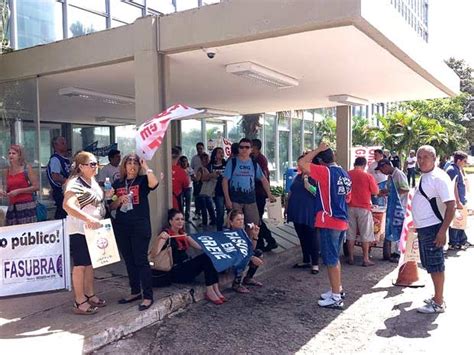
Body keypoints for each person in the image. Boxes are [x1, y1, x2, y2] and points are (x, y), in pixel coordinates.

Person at [298, 143, 352, 309]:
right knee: (334, 257)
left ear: (320, 161)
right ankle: (337, 289)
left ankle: (336, 297)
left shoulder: (324, 172)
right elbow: (348, 198)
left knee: (330, 259)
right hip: (342, 220)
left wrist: (317, 150)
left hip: (329, 220)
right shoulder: (344, 173)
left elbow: (302, 164)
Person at [110, 153, 160, 311]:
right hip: (122, 225)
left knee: (141, 260)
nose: (132, 166)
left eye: (135, 163)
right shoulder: (117, 183)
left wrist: (146, 167)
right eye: (129, 163)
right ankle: (135, 291)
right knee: (129, 260)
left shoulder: (143, 180)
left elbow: (154, 183)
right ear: (124, 166)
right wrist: (118, 201)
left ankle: (148, 296)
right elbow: (110, 205)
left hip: (140, 225)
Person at [63, 151, 110, 315]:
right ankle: (79, 300)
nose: (95, 166)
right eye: (91, 164)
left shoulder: (92, 181)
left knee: (90, 264)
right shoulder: (74, 183)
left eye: (96, 163)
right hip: (79, 230)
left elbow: (95, 201)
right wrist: (88, 219)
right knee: (80, 265)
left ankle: (90, 294)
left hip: (93, 230)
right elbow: (68, 206)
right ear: (81, 167)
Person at [412, 145, 455, 313]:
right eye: (419, 157)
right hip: (425, 227)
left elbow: (451, 206)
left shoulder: (438, 178)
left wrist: (442, 231)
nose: (421, 160)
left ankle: (438, 302)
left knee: (436, 264)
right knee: (430, 264)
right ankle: (437, 297)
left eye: (425, 157)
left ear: (434, 159)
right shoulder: (426, 176)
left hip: (433, 228)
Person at [151, 209, 225, 305]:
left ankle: (215, 288)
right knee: (205, 259)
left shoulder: (182, 233)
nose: (180, 221)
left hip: (185, 267)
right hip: (175, 271)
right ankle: (210, 290)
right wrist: (160, 238)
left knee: (208, 256)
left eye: (182, 219)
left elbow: (200, 247)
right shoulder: (167, 234)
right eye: (177, 219)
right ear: (170, 221)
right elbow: (154, 253)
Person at [222, 138, 276, 229]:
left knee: (253, 226)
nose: (244, 149)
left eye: (247, 147)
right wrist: (227, 199)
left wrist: (269, 194)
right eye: (241, 147)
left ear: (251, 149)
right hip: (235, 200)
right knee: (235, 226)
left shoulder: (254, 164)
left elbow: (263, 179)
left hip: (251, 200)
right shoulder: (232, 162)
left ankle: (252, 243)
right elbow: (225, 181)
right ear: (238, 148)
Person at [285, 158, 321, 274]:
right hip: (296, 210)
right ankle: (306, 259)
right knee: (302, 236)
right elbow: (291, 191)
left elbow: (318, 193)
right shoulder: (298, 177)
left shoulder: (316, 178)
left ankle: (315, 263)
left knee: (312, 237)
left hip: (309, 212)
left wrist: (307, 183)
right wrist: (286, 207)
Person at [346, 157, 379, 266]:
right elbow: (375, 191)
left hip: (349, 207)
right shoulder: (368, 176)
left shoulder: (347, 174)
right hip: (364, 208)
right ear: (364, 165)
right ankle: (365, 259)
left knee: (350, 234)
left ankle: (350, 257)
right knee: (366, 234)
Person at [226, 209, 264, 293]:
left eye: (242, 219)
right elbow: (236, 253)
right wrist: (251, 258)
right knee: (243, 259)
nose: (241, 222)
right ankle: (236, 284)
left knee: (258, 252)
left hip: (240, 257)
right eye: (238, 220)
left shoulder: (241, 231)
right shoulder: (227, 233)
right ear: (231, 222)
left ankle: (248, 278)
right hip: (229, 260)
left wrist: (255, 236)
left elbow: (251, 249)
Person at [1, 145, 39, 225]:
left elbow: (36, 186)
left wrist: (19, 191)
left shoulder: (27, 168)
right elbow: (6, 187)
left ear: (19, 156)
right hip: (12, 207)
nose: (11, 155)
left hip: (26, 206)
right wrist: (3, 192)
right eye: (9, 153)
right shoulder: (6, 171)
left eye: (13, 153)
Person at [252, 138, 278, 252]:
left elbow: (263, 177)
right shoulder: (256, 159)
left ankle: (270, 240)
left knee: (257, 219)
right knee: (257, 219)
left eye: (250, 147)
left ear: (256, 148)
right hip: (257, 193)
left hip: (260, 193)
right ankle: (261, 242)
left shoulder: (260, 160)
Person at [445, 151, 469, 249]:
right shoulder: (452, 170)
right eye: (464, 161)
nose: (465, 163)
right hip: (455, 201)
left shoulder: (457, 169)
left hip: (461, 200)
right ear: (458, 160)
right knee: (455, 222)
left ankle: (462, 240)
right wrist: (457, 201)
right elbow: (453, 186)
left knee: (460, 221)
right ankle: (454, 242)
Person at [47, 136, 71, 219]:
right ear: (56, 145)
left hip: (66, 191)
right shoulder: (55, 159)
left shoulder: (65, 159)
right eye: (63, 143)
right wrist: (69, 182)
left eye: (65, 143)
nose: (66, 145)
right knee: (62, 213)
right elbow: (55, 176)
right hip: (60, 191)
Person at [195, 153, 217, 226]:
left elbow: (199, 179)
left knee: (205, 207)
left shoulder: (203, 168)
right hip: (207, 189)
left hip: (204, 190)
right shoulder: (209, 168)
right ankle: (212, 220)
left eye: (207, 159)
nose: (206, 161)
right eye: (204, 159)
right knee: (209, 206)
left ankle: (205, 222)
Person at [208, 147, 226, 231]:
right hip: (217, 191)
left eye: (222, 152)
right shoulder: (210, 166)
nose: (221, 154)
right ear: (215, 154)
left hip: (227, 190)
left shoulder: (226, 164)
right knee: (220, 211)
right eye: (219, 152)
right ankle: (219, 229)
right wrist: (213, 175)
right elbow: (205, 177)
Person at [191, 142, 205, 220]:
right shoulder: (194, 158)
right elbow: (192, 168)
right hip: (197, 181)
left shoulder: (206, 157)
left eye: (201, 148)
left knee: (204, 198)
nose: (199, 150)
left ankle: (205, 213)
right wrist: (193, 176)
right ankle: (197, 212)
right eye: (198, 148)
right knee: (197, 197)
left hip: (205, 181)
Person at [178, 156, 193, 221]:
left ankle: (187, 217)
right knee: (181, 203)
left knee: (188, 203)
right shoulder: (179, 169)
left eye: (185, 161)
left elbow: (194, 177)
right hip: (180, 188)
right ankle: (182, 216)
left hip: (188, 188)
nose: (184, 163)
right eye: (183, 161)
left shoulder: (189, 169)